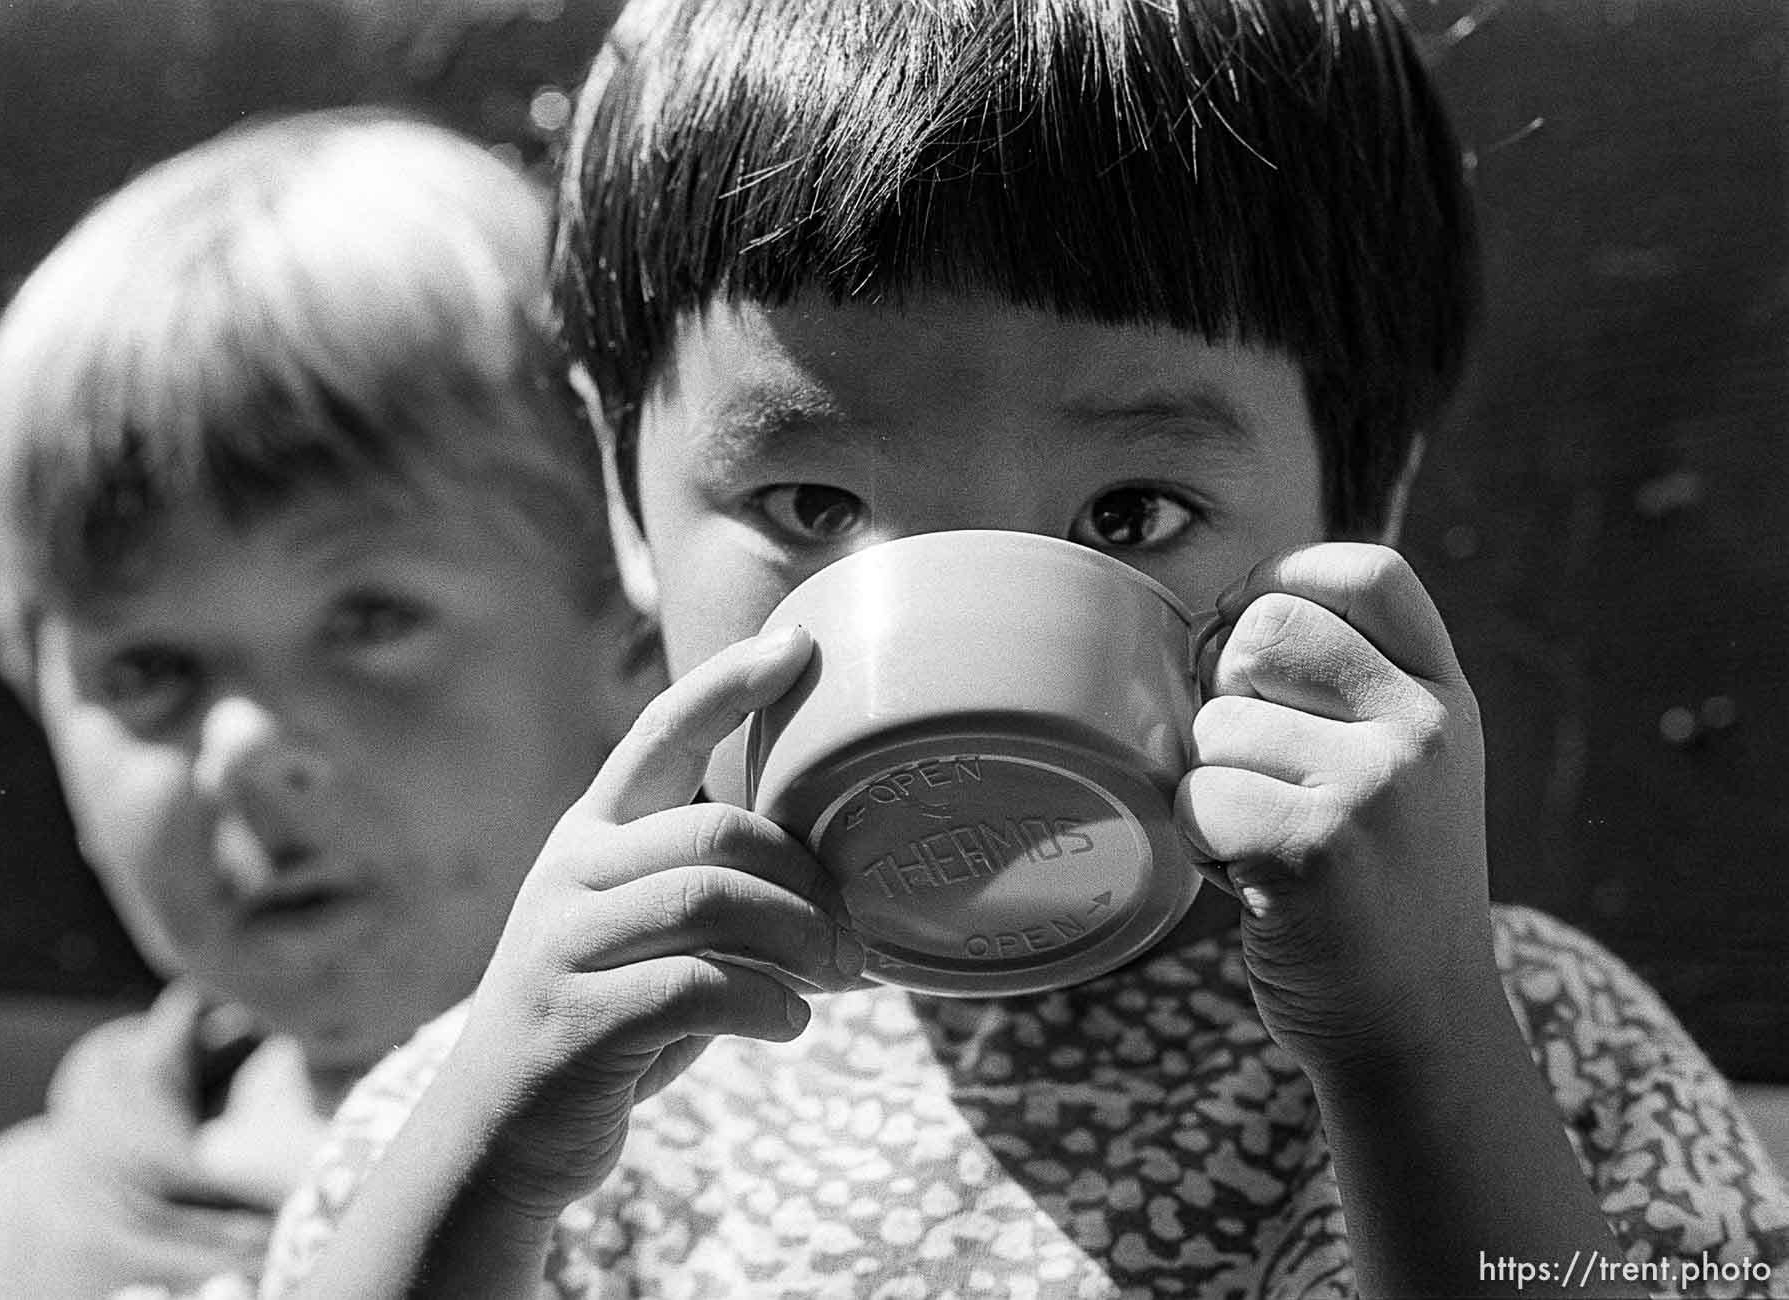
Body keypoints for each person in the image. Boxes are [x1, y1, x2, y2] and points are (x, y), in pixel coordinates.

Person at [255, 1, 1789, 1297]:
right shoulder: (542, 1081)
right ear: (624, 491)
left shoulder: (1536, 1042)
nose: (942, 633)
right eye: (809, 499)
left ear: (1357, 501)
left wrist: (1411, 1045)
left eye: (1127, 512)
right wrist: (493, 1156)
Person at [0, 106, 656, 1300]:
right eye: (147, 671)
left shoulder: (805, 1176)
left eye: (369, 621)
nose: (238, 750)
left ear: (632, 627)